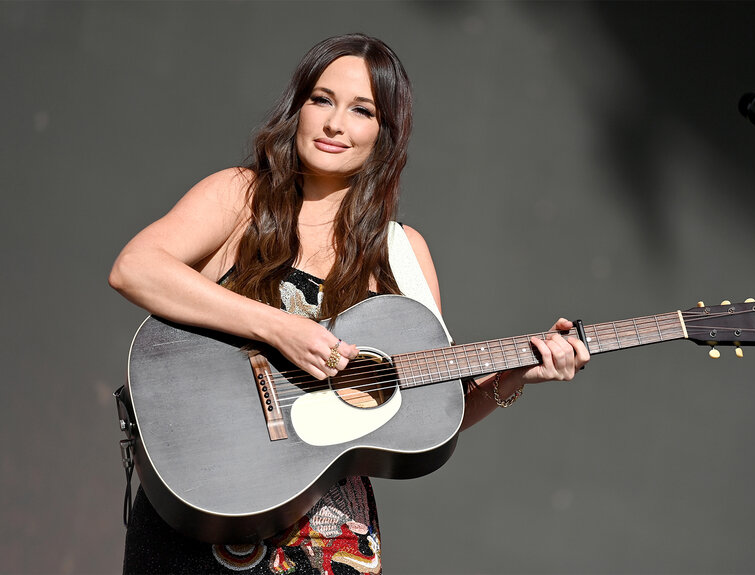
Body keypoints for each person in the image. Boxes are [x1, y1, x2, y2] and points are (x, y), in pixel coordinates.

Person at [109, 33, 589, 575]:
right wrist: (279, 328)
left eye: (362, 110)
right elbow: (136, 268)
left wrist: (518, 373)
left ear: (385, 135)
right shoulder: (240, 196)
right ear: (299, 108)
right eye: (322, 99)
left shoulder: (404, 253)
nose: (336, 123)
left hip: (327, 536)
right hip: (204, 502)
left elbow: (435, 410)